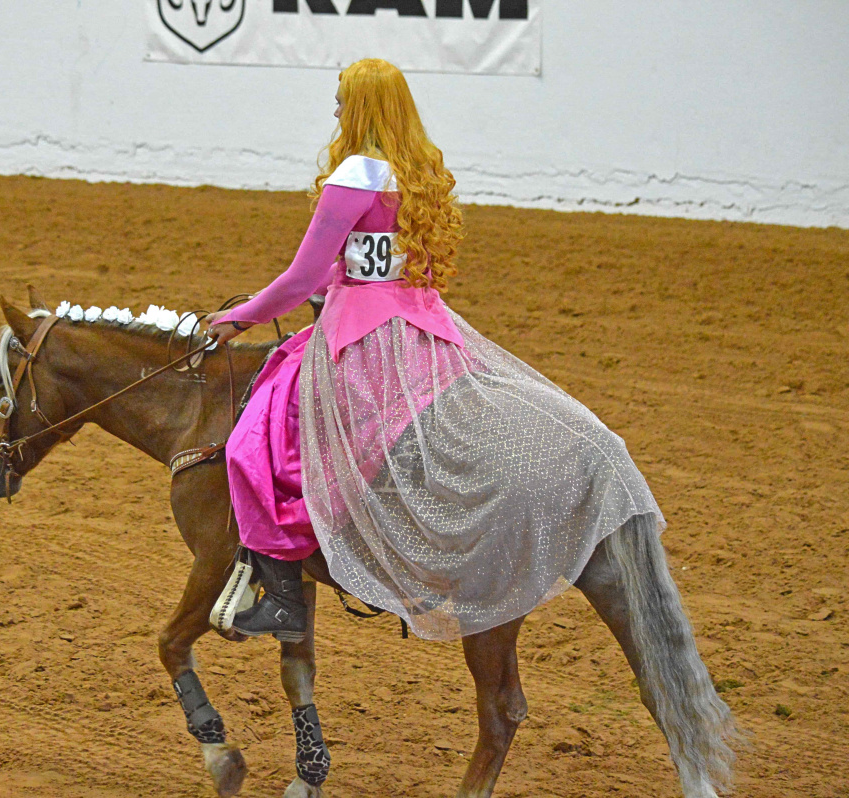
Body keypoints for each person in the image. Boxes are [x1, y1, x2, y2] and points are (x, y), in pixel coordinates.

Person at [205, 59, 662, 643]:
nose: (336, 111)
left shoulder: (355, 172)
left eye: (343, 101)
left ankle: (285, 597)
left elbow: (302, 276)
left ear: (363, 108)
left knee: (260, 430)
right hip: (426, 334)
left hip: (362, 336)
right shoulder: (418, 172)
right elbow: (374, 262)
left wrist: (241, 318)